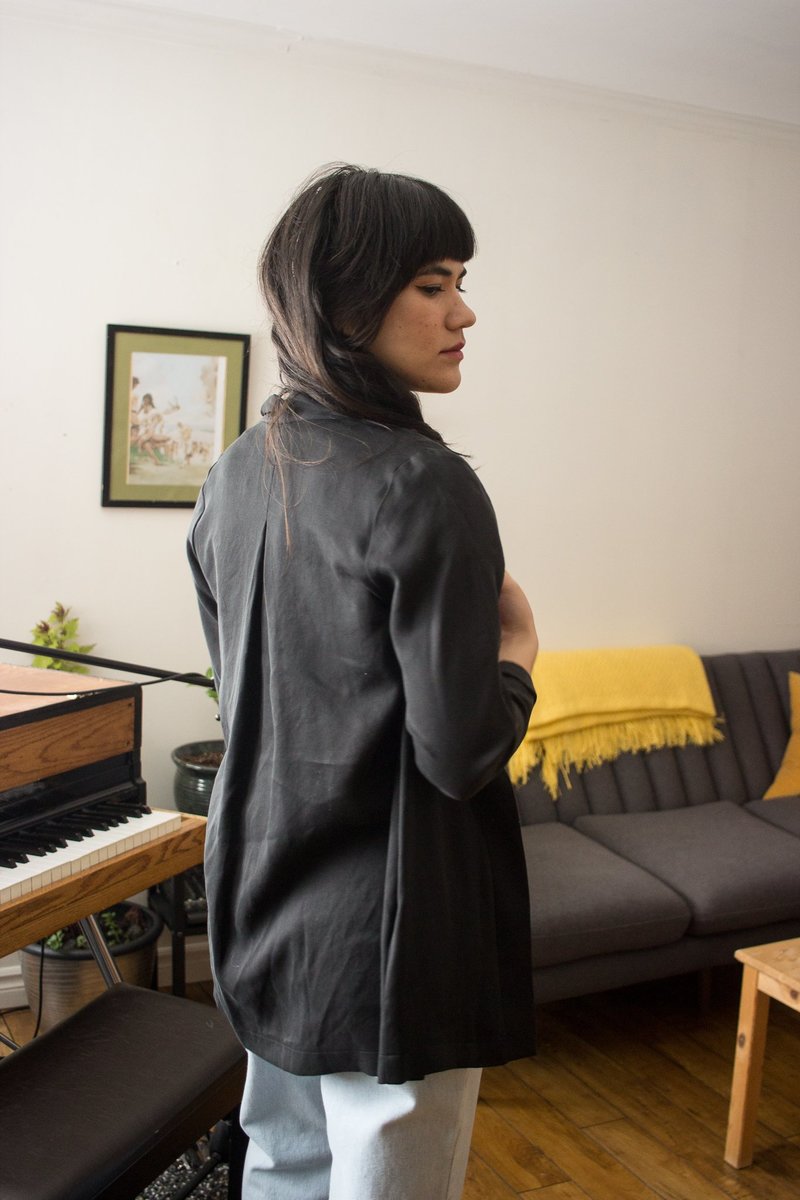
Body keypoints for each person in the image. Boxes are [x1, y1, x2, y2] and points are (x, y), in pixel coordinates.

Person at [187, 163, 538, 1200]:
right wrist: (517, 650)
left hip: (263, 898)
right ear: (346, 298)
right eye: (433, 283)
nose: (463, 312)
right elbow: (459, 751)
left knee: (282, 1166)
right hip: (392, 933)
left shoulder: (236, 470)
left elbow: (243, 690)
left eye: (460, 281)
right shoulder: (424, 482)